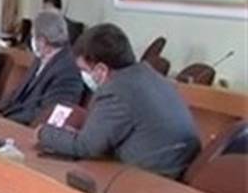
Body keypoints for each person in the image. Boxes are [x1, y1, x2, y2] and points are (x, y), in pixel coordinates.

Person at [36, 23, 200, 179]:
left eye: (84, 70)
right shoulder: (146, 74)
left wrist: (43, 133)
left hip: (153, 178)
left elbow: (86, 146)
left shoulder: (116, 91)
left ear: (101, 69)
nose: (82, 75)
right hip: (174, 165)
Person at [0, 11, 85, 125]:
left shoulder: (68, 71)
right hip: (8, 120)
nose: (31, 40)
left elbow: (47, 115)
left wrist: (2, 120)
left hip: (25, 128)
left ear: (42, 41)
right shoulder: (41, 58)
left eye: (32, 36)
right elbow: (18, 94)